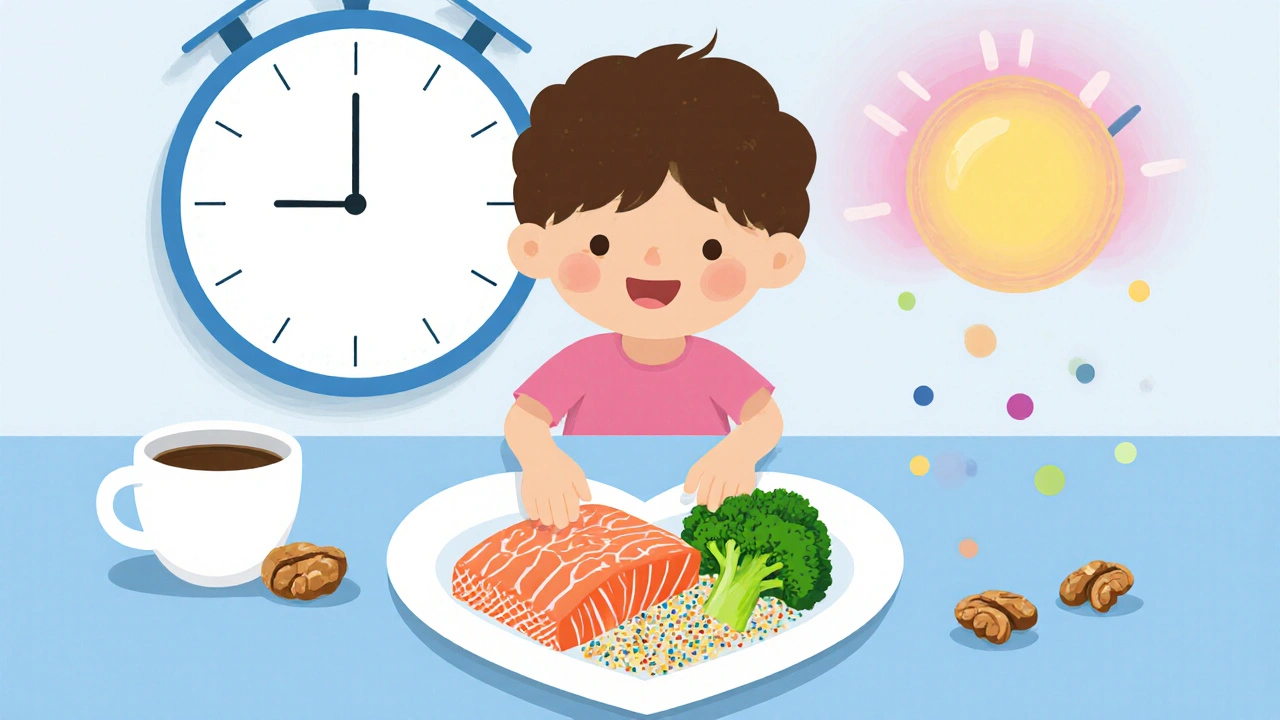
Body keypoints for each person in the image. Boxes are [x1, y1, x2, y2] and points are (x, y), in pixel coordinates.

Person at [503, 35, 816, 528]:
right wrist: (543, 462)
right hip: (593, 519)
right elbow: (525, 418)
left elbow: (765, 419)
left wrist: (736, 455)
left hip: (692, 515)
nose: (651, 261)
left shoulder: (713, 366)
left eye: (710, 248)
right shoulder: (584, 362)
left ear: (776, 260)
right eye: (601, 244)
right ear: (535, 249)